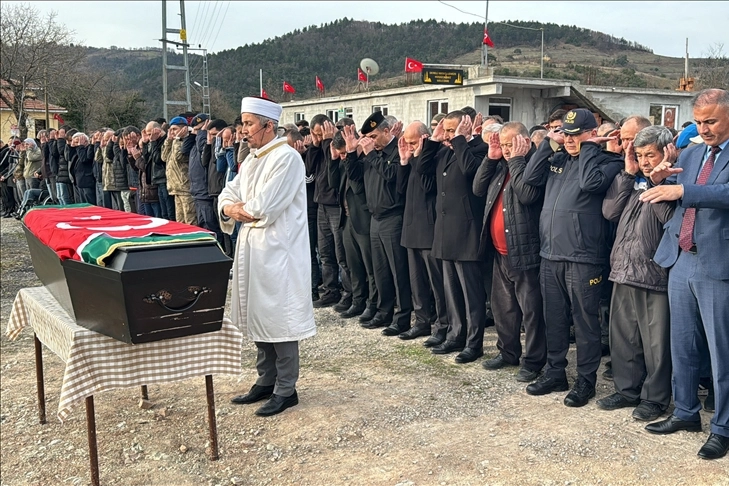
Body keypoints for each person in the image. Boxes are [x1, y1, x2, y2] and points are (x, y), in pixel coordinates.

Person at [640, 88, 729, 460]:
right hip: (682, 258)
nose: (703, 128)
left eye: (711, 121)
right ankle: (686, 412)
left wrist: (682, 189)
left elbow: (720, 192)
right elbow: (672, 192)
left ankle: (723, 427)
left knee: (721, 351)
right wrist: (659, 180)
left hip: (718, 264)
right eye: (699, 121)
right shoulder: (690, 153)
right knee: (683, 345)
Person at [219, 96, 315, 417]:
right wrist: (233, 208)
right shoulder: (254, 158)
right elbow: (229, 195)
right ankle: (266, 379)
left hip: (279, 253)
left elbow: (263, 207)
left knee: (280, 318)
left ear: (268, 125)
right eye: (242, 123)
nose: (243, 130)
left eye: (248, 124)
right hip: (253, 250)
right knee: (258, 315)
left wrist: (238, 209)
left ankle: (286, 389)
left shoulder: (286, 159)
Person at [522, 108, 623, 407]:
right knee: (553, 318)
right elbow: (530, 178)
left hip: (584, 257)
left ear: (592, 134)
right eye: (566, 134)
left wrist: (591, 148)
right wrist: (546, 144)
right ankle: (555, 372)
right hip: (551, 254)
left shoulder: (609, 162)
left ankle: (585, 380)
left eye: (577, 134)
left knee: (585, 323)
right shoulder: (559, 158)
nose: (570, 140)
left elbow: (590, 184)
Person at [598, 126, 676, 422]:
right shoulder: (633, 181)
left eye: (650, 154)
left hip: (655, 275)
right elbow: (610, 212)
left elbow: (671, 222)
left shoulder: (674, 183)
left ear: (666, 153)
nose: (644, 160)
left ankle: (655, 399)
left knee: (656, 343)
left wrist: (659, 185)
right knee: (624, 338)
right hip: (622, 271)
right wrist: (628, 174)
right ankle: (626, 390)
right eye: (640, 155)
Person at [474, 122, 546, 382]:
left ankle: (534, 360)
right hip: (499, 251)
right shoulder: (501, 165)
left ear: (525, 142)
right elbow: (478, 189)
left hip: (525, 251)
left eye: (511, 144)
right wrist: (490, 158)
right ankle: (507, 352)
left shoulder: (533, 165)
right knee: (503, 308)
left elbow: (527, 195)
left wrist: (516, 160)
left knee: (532, 311)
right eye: (503, 145)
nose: (506, 149)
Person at [417, 111, 489, 363]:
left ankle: (473, 342)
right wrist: (434, 141)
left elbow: (471, 170)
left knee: (471, 293)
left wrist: (461, 140)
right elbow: (422, 169)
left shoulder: (479, 148)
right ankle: (455, 334)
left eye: (451, 130)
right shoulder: (446, 149)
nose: (448, 135)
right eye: (445, 130)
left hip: (467, 231)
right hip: (445, 230)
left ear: (465, 128)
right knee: (451, 291)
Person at [341, 112, 412, 336]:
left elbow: (393, 176)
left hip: (393, 217)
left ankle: (402, 317)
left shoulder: (395, 150)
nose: (370, 141)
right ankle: (384, 311)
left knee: (398, 270)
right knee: (380, 270)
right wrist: (352, 152)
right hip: (375, 219)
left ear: (386, 131)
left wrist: (371, 154)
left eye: (373, 135)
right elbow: (354, 175)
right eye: (367, 137)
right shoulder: (373, 154)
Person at [398, 121, 449, 343]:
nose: (409, 146)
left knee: (436, 283)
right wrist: (404, 162)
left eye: (413, 142)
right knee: (416, 281)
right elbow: (400, 189)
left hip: (428, 229)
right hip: (411, 228)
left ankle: (443, 324)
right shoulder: (412, 159)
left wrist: (419, 157)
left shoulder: (435, 155)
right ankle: (421, 321)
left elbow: (429, 185)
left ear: (425, 138)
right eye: (407, 142)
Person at [306, 115, 352, 311]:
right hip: (321, 205)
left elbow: (332, 163)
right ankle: (330, 290)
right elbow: (308, 168)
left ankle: (349, 293)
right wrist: (315, 146)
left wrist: (327, 141)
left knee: (341, 254)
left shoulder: (335, 145)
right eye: (315, 134)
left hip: (336, 205)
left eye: (321, 133)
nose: (318, 137)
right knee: (325, 253)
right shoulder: (319, 146)